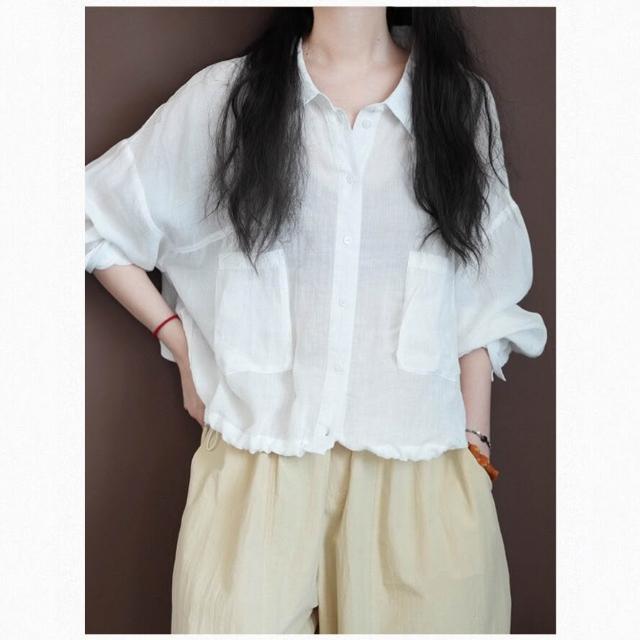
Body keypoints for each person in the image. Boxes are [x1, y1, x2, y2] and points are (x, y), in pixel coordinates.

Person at [85, 6, 548, 634]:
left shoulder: (459, 105)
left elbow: (484, 299)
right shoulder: (227, 101)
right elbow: (89, 219)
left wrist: (475, 447)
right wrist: (180, 344)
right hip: (256, 481)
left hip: (422, 481)